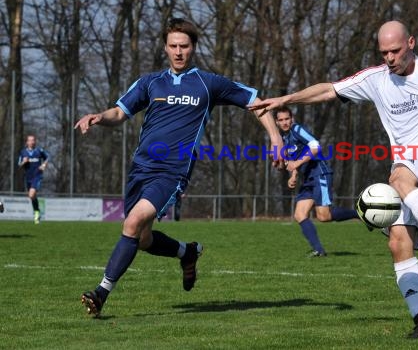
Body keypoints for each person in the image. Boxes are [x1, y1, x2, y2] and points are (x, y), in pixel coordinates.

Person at [250, 20, 418, 338]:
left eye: (395, 50)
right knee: (398, 242)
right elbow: (330, 89)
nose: (390, 58)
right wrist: (286, 100)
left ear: (411, 43)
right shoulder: (376, 79)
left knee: (399, 178)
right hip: (412, 167)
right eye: (384, 52)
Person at [75, 18, 283, 317]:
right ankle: (187, 252)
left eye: (184, 46)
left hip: (172, 171)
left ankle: (101, 293)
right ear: (165, 47)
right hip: (140, 168)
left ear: (193, 48)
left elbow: (256, 102)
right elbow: (119, 113)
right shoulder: (150, 82)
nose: (178, 51)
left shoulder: (208, 83)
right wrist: (98, 116)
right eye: (173, 46)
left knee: (132, 224)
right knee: (143, 239)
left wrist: (275, 138)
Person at [274, 106, 359, 257]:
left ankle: (358, 214)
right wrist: (293, 176)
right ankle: (319, 251)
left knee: (323, 216)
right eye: (281, 120)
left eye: (287, 119)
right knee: (300, 214)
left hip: (320, 174)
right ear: (276, 122)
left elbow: (315, 146)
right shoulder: (284, 139)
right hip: (307, 178)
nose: (285, 122)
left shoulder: (297, 130)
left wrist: (296, 165)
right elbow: (293, 161)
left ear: (291, 119)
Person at [18, 135, 49, 224]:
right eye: (30, 140)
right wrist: (24, 162)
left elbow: (47, 157)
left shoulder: (39, 151)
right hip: (28, 177)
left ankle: (36, 212)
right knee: (32, 197)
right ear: (27, 142)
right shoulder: (23, 152)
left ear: (35, 141)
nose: (31, 142)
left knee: (31, 195)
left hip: (37, 176)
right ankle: (37, 211)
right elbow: (19, 165)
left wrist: (44, 165)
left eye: (33, 140)